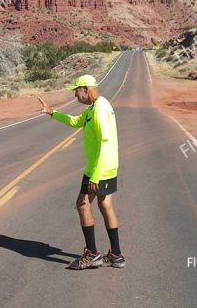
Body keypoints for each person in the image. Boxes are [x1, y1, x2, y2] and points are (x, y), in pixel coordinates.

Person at [38, 74, 125, 270]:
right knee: (105, 205)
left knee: (82, 204)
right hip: (107, 166)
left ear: (86, 89)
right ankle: (116, 255)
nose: (75, 94)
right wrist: (52, 113)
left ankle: (92, 254)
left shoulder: (100, 110)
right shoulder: (94, 108)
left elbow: (105, 142)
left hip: (98, 168)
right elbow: (76, 122)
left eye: (76, 90)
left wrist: (95, 175)